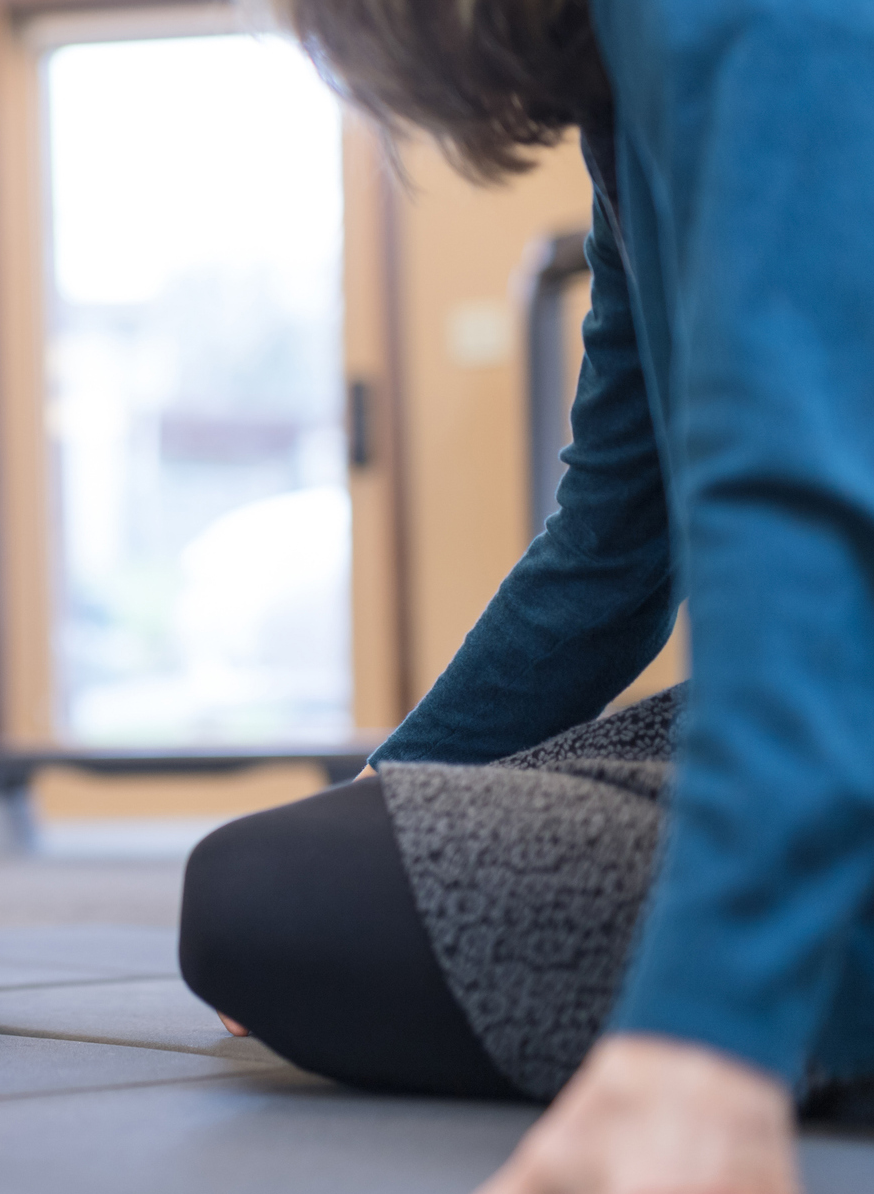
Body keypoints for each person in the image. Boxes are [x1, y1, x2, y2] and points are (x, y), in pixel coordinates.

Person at [178, 1, 874, 1191]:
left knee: (269, 898)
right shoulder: (628, 108)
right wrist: (400, 779)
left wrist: (709, 1033)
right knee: (296, 857)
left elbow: (806, 514)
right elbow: (612, 544)